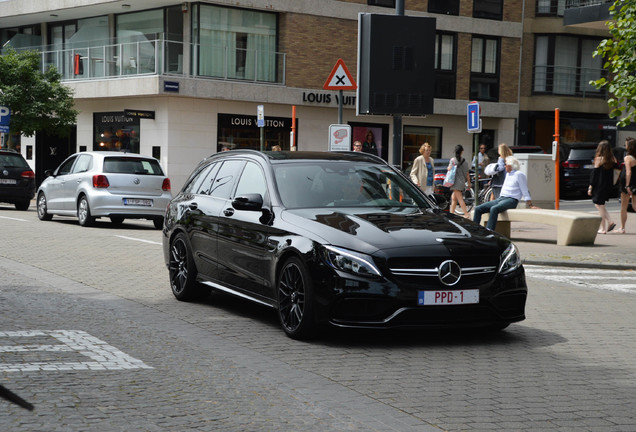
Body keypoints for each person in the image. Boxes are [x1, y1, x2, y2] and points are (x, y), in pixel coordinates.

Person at [473, 156, 534, 231]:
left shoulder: (519, 175)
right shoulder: (508, 174)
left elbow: (525, 190)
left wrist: (530, 205)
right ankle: (474, 230)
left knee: (494, 209)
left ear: (511, 166)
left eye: (506, 165)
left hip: (511, 200)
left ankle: (489, 231)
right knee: (478, 209)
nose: (504, 166)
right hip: (501, 198)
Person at [587, 140, 617, 234]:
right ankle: (610, 221)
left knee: (600, 206)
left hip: (599, 185)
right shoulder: (612, 159)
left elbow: (594, 174)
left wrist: (591, 186)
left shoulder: (599, 159)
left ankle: (603, 228)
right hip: (607, 185)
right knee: (600, 205)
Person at [614, 137, 636, 234]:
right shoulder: (635, 158)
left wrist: (627, 186)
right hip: (635, 182)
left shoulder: (627, 158)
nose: (625, 146)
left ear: (630, 147)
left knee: (624, 206)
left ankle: (622, 228)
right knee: (635, 205)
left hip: (627, 184)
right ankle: (622, 227)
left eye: (626, 144)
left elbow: (628, 172)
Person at [448, 144, 471, 216]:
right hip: (462, 182)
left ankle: (466, 214)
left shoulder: (453, 160)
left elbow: (449, 169)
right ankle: (452, 213)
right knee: (454, 198)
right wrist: (469, 183)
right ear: (462, 152)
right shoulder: (465, 161)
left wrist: (449, 168)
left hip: (455, 182)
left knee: (460, 199)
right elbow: (467, 173)